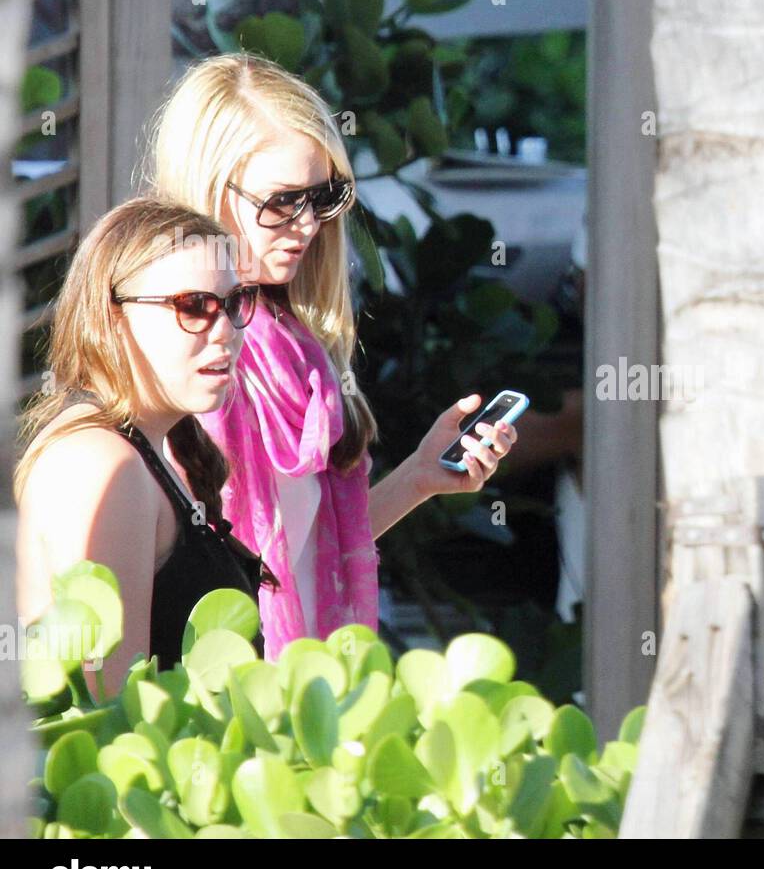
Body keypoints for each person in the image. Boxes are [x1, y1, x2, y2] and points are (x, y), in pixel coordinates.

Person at [145, 53, 519, 659]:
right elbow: (185, 569)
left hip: (302, 693)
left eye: (324, 198)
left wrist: (421, 478)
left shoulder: (293, 346)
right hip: (211, 705)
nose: (307, 224)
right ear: (207, 188)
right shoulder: (175, 349)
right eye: (280, 201)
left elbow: (301, 553)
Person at [15, 199, 264, 691]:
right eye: (193, 307)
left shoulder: (143, 451)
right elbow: (114, 711)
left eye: (234, 303)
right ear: (113, 318)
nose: (225, 331)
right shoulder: (102, 463)